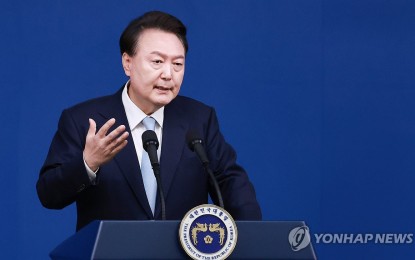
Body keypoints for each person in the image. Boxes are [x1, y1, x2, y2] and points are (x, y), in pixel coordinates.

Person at [37, 10, 261, 231]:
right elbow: (49, 194)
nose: (168, 74)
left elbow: (231, 184)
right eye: (157, 61)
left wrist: (254, 239)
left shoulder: (199, 119)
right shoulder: (83, 120)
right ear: (127, 63)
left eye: (178, 64)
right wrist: (88, 163)